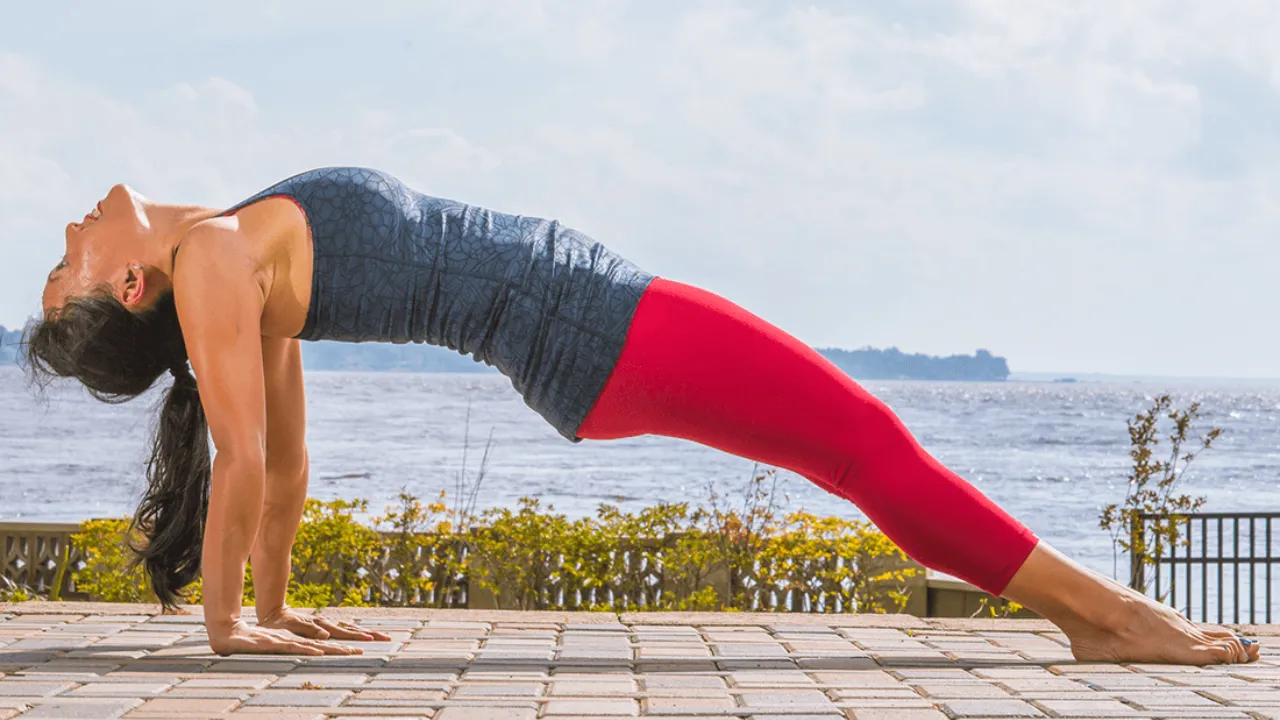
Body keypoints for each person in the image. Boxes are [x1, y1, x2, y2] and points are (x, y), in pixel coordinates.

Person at [27, 166, 1256, 663]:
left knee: (854, 445)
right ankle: (1099, 617)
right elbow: (243, 450)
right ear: (131, 288)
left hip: (588, 315)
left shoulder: (230, 253)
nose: (70, 229)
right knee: (862, 443)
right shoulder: (210, 268)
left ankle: (1090, 612)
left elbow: (282, 467)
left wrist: (282, 604)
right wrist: (232, 628)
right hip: (586, 329)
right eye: (63, 263)